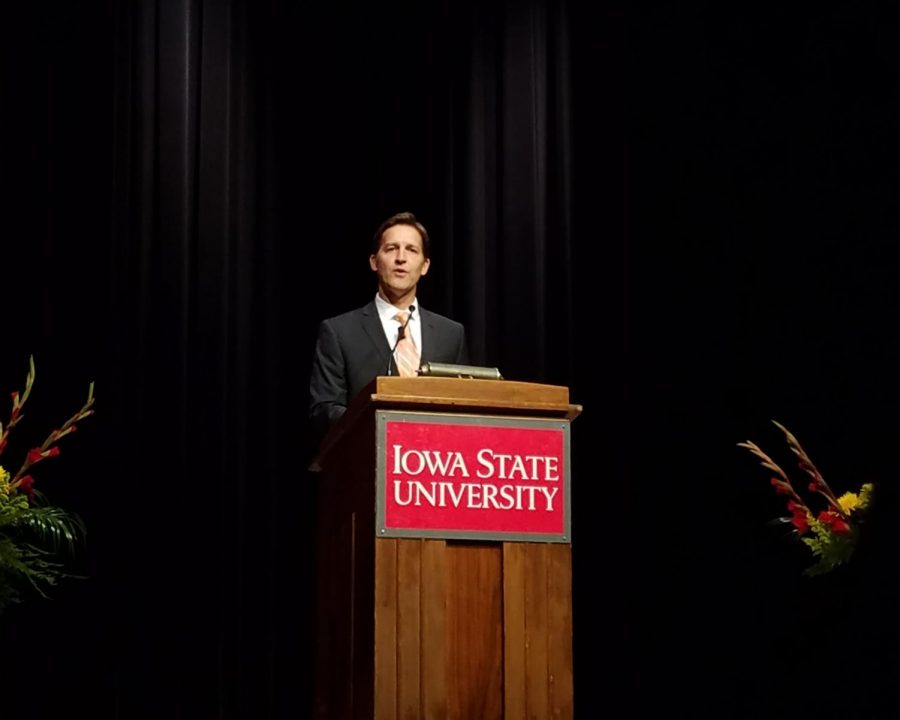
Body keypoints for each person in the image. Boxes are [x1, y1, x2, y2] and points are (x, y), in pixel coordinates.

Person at [308, 211, 469, 441]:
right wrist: (382, 428)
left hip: (434, 464)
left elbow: (463, 406)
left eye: (411, 250)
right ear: (374, 261)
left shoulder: (451, 334)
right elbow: (323, 410)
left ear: (425, 266)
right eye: (391, 248)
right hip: (365, 461)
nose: (400, 258)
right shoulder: (339, 331)